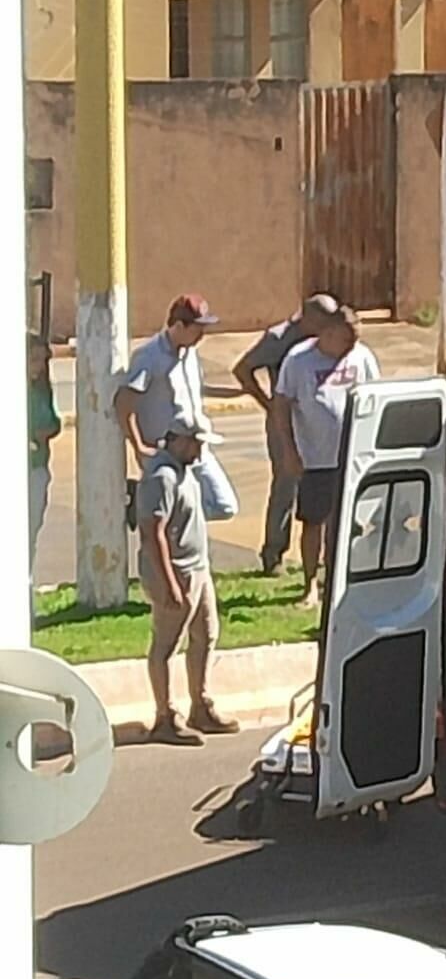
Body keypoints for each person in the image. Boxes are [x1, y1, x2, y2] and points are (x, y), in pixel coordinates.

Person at [137, 414, 239, 745]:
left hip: (197, 569)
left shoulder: (186, 472)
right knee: (166, 645)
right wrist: (169, 584)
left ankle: (201, 705)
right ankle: (164, 716)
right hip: (176, 572)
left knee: (205, 635)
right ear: (178, 439)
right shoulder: (162, 477)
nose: (200, 450)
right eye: (196, 442)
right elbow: (153, 533)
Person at [274, 304, 380, 608]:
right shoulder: (298, 360)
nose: (352, 347)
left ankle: (340, 580)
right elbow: (281, 406)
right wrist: (289, 451)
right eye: (347, 340)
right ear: (328, 333)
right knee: (313, 522)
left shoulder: (361, 357)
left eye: (355, 340)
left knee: (349, 522)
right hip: (315, 457)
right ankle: (310, 585)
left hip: (354, 456)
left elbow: (376, 397)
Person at [232, 293, 339, 576]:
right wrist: (267, 404)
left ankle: (323, 556)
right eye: (323, 321)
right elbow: (243, 369)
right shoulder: (279, 338)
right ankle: (274, 554)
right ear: (308, 318)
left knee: (324, 484)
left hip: (318, 426)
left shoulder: (329, 339)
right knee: (286, 485)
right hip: (285, 422)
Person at [115, 294, 238, 523]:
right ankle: (144, 507)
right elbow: (124, 404)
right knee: (165, 514)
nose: (202, 336)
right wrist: (139, 446)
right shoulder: (149, 356)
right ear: (179, 326)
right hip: (165, 452)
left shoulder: (190, 353)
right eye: (198, 328)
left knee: (224, 505)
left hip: (195, 446)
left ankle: (153, 508)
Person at [28, 333, 60, 570]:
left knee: (31, 531)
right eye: (33, 359)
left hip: (38, 467)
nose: (38, 366)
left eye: (42, 360)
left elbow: (54, 420)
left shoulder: (42, 390)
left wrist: (49, 430)